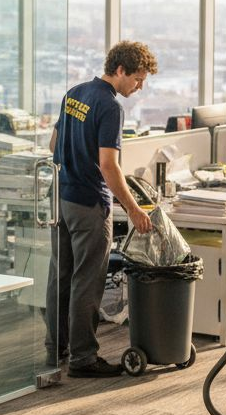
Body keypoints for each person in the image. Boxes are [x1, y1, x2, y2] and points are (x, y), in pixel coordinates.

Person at [45, 41, 158, 378]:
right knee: (87, 281)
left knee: (60, 276)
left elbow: (53, 145)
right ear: (120, 70)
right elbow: (109, 165)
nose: (139, 87)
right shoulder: (110, 107)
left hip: (61, 197)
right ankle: (83, 358)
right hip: (88, 202)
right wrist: (134, 209)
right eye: (138, 79)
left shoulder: (75, 92)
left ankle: (57, 349)